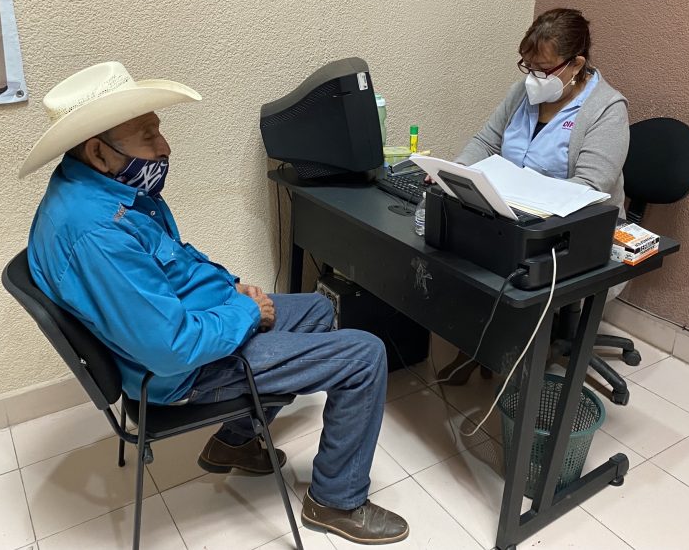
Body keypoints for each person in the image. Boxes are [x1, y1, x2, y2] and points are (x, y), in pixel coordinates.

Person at [21, 61, 409, 545]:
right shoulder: (97, 232)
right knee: (365, 355)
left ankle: (236, 442)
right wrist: (246, 313)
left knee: (314, 310)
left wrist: (234, 287)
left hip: (193, 323)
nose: (164, 147)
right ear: (98, 151)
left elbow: (177, 267)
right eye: (147, 136)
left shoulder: (103, 190)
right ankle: (336, 500)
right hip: (183, 368)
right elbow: (169, 347)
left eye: (159, 131)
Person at [437, 8, 629, 384]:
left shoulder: (606, 109)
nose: (533, 78)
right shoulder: (521, 94)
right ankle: (476, 347)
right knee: (456, 246)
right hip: (514, 217)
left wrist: (521, 203)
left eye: (543, 69)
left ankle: (513, 360)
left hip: (573, 230)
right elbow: (486, 141)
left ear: (576, 65)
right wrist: (454, 173)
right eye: (527, 66)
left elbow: (589, 188)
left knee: (501, 265)